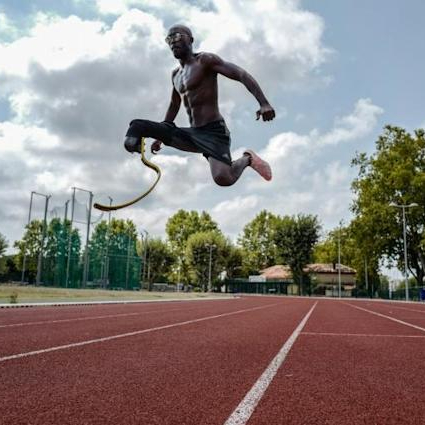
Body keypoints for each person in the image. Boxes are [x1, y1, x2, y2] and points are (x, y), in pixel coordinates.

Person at [124, 24, 276, 186]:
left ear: (190, 40)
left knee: (223, 179)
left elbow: (241, 74)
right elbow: (174, 104)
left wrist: (264, 103)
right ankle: (137, 136)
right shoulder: (175, 74)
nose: (172, 42)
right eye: (169, 39)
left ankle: (248, 158)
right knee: (137, 126)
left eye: (177, 36)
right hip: (192, 134)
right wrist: (161, 135)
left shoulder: (205, 60)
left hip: (213, 132)